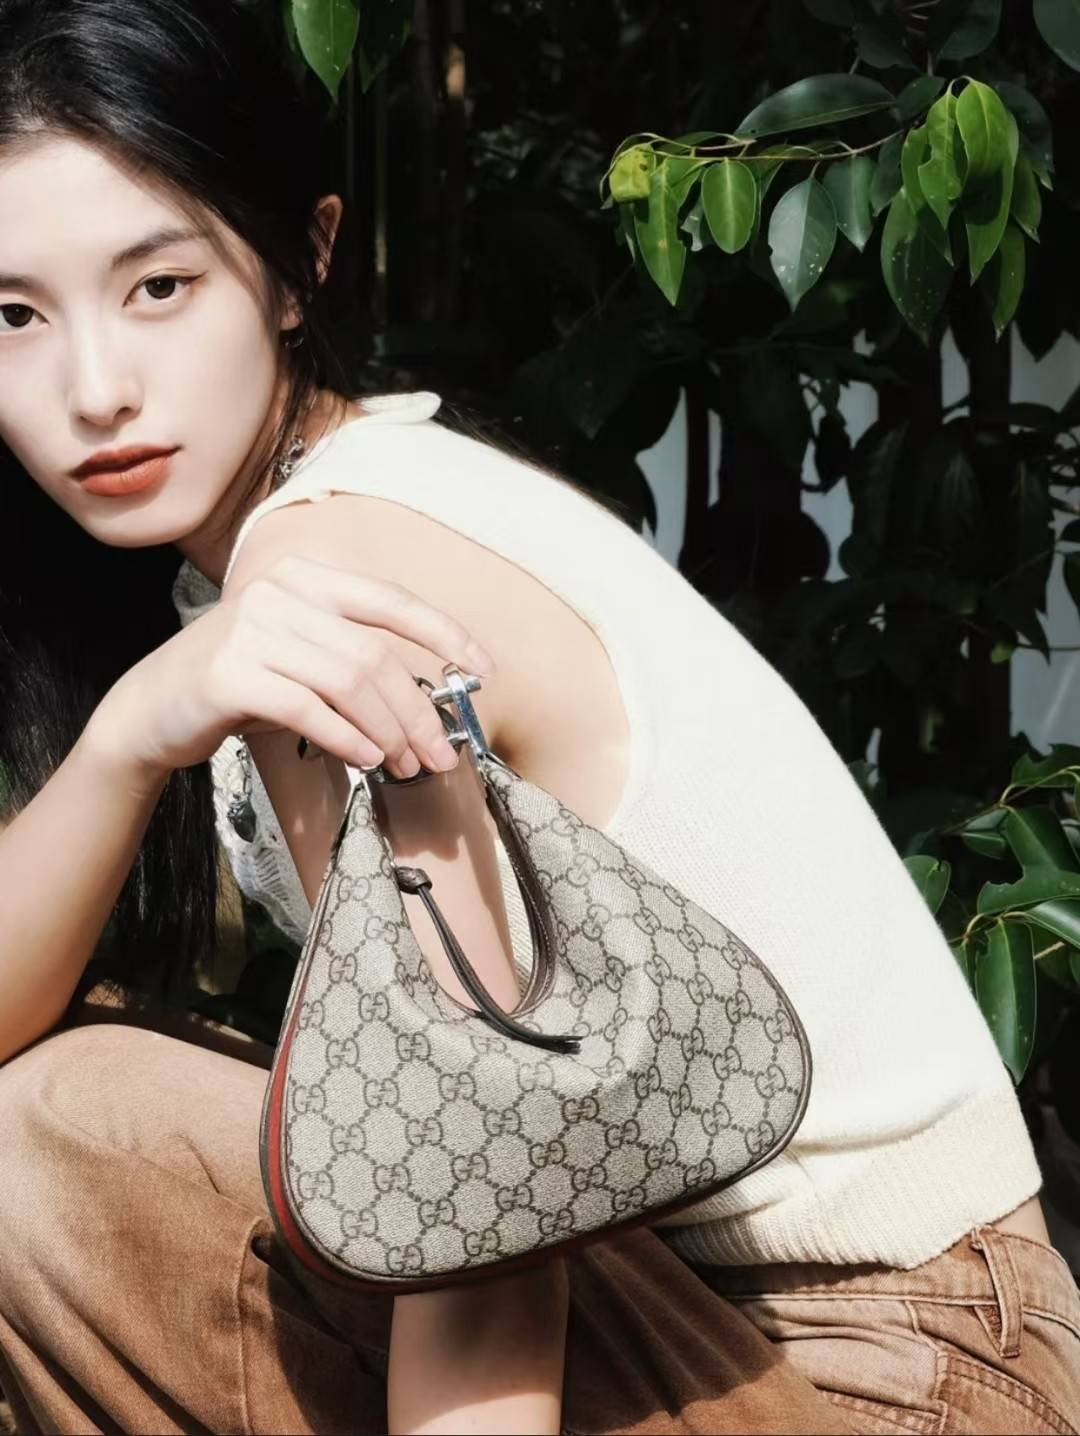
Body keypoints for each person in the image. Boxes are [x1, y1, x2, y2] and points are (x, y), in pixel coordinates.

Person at [0, 1, 1077, 1433]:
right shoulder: (300, 548)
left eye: (159, 286)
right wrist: (132, 728)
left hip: (887, 1369)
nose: (94, 390)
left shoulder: (334, 557)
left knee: (46, 1138)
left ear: (301, 264)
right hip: (797, 1325)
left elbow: (485, 1220)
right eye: (13, 316)